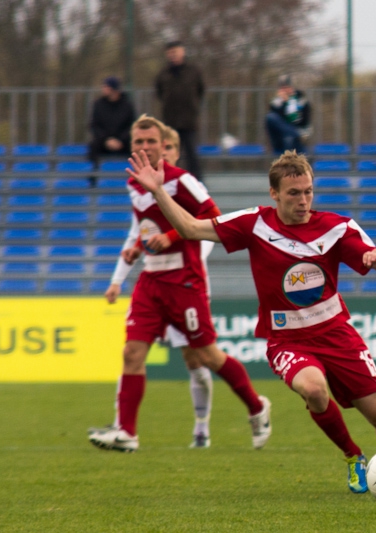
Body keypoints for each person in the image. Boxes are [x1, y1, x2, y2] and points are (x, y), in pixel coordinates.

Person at [125, 149, 376, 495]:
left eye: (308, 192)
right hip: (287, 341)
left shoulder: (337, 227)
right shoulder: (254, 224)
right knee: (314, 389)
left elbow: (373, 256)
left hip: (337, 334)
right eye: (293, 193)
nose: (303, 200)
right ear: (274, 193)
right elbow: (189, 227)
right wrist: (157, 191)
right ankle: (353, 458)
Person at [88, 115, 271, 453]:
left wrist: (171, 236)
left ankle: (257, 406)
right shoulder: (133, 182)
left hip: (184, 281)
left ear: (163, 145)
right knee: (132, 353)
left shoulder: (182, 181)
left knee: (207, 356)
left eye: (150, 142)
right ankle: (127, 432)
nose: (145, 147)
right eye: (138, 142)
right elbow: (145, 225)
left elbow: (214, 218)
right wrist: (136, 247)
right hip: (150, 280)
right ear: (132, 146)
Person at [102, 125, 216, 449]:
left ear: (173, 152)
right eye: (145, 146)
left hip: (185, 287)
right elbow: (137, 233)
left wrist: (184, 256)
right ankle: (123, 426)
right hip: (155, 285)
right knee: (132, 352)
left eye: (162, 149)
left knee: (196, 361)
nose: (156, 155)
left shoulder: (185, 187)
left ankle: (202, 427)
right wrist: (118, 278)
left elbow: (205, 231)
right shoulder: (139, 190)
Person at [155, 40, 205, 181]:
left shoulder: (194, 71)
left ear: (182, 52)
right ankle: (170, 180)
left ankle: (197, 183)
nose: (173, 55)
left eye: (175, 51)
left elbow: (200, 91)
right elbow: (159, 93)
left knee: (191, 155)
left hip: (189, 121)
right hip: (170, 122)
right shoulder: (163, 74)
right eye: (170, 52)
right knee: (169, 154)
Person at [88, 76, 136, 170]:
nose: (103, 89)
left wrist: (121, 140)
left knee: (136, 148)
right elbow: (94, 125)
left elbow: (132, 126)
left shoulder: (127, 105)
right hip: (103, 142)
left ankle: (136, 176)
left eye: (106, 87)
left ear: (114, 89)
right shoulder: (98, 104)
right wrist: (106, 140)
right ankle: (93, 177)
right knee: (93, 147)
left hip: (123, 142)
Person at [265, 75, 312, 155]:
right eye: (282, 88)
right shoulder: (276, 103)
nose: (285, 90)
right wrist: (284, 103)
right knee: (270, 117)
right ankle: (293, 134)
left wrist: (289, 102)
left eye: (287, 87)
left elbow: (303, 121)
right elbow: (277, 121)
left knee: (289, 138)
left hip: (298, 136)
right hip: (281, 137)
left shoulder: (301, 101)